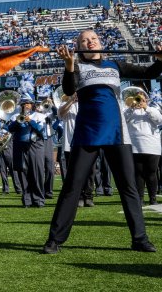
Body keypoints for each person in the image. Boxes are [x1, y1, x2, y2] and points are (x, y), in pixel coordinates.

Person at [42, 31, 161, 254]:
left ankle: (140, 239)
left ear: (100, 42)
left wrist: (160, 59)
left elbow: (148, 72)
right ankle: (54, 240)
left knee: (129, 188)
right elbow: (69, 89)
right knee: (72, 187)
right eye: (84, 40)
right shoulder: (76, 66)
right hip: (87, 134)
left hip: (118, 134)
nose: (90, 41)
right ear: (79, 46)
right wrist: (69, 65)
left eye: (93, 38)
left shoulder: (115, 64)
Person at [124, 90, 162, 205]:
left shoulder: (153, 109)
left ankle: (152, 198)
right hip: (135, 146)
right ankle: (139, 199)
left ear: (147, 99)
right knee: (138, 173)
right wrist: (131, 108)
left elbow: (159, 120)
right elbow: (123, 120)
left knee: (151, 173)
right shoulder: (128, 110)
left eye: (141, 98)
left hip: (152, 146)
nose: (139, 100)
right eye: (137, 97)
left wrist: (146, 107)